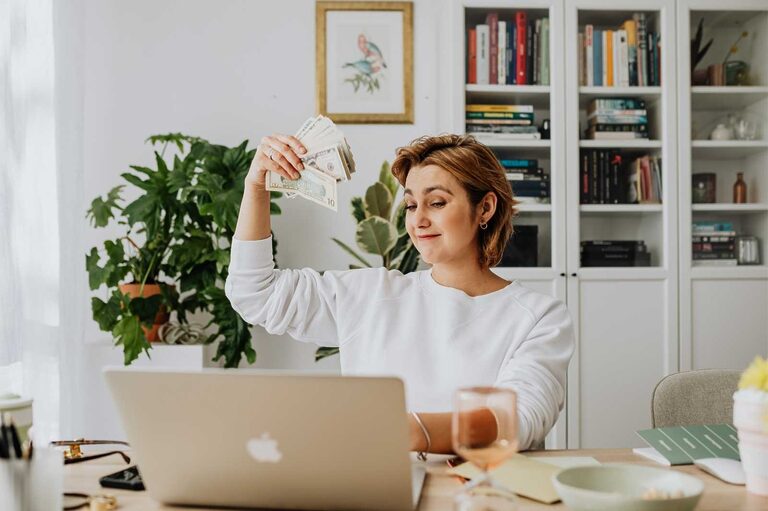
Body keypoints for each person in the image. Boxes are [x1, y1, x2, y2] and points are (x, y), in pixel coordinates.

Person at [226, 132, 574, 455]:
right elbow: (255, 293)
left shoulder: (539, 317)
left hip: (478, 493)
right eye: (410, 205)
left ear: (484, 208)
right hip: (376, 490)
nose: (418, 220)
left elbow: (521, 419)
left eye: (436, 203)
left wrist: (404, 430)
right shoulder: (369, 295)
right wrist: (256, 188)